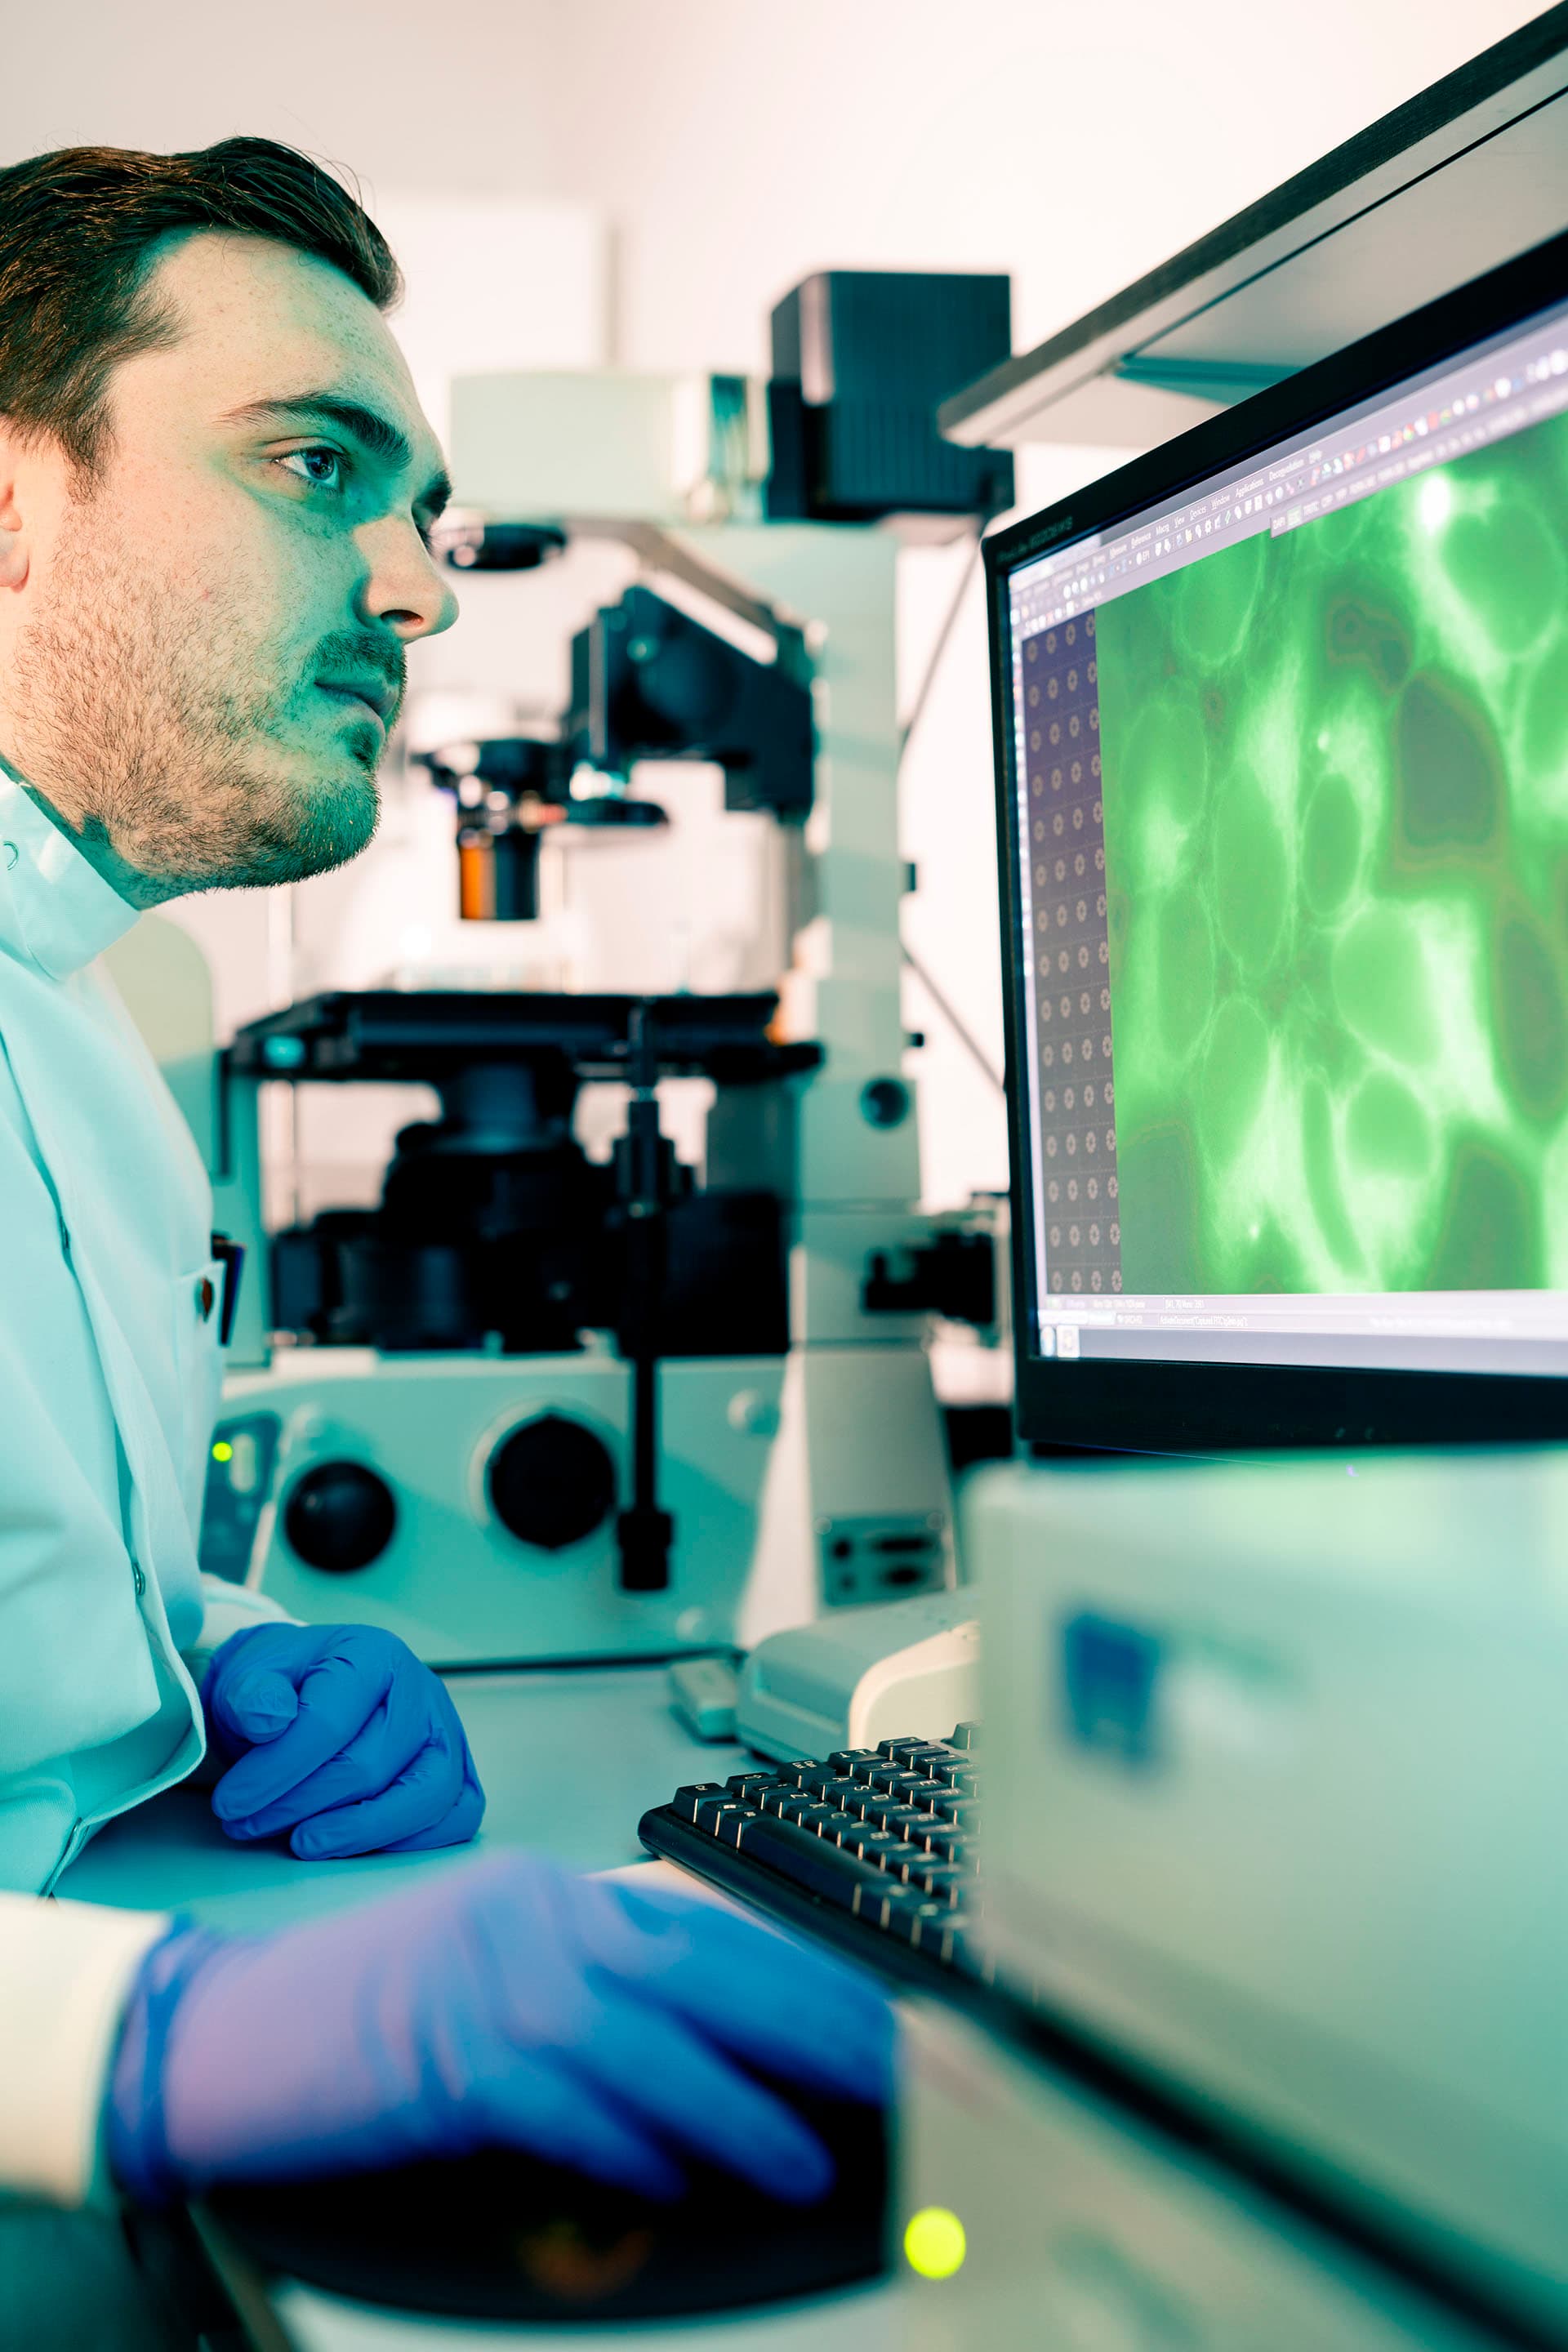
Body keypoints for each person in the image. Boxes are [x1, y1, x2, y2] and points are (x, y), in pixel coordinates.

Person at [0, 138, 892, 2240]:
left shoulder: (95, 1048)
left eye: (428, 515)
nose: (419, 583)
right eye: (314, 465)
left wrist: (202, 1655)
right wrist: (120, 2050)